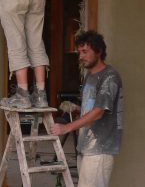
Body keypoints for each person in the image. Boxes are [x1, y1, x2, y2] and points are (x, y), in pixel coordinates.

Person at [50, 31, 123, 187]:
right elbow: (90, 108)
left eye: (85, 52)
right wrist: (75, 107)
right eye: (79, 52)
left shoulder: (110, 77)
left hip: (99, 149)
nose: (80, 56)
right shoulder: (90, 76)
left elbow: (98, 112)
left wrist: (66, 128)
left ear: (99, 51)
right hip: (85, 146)